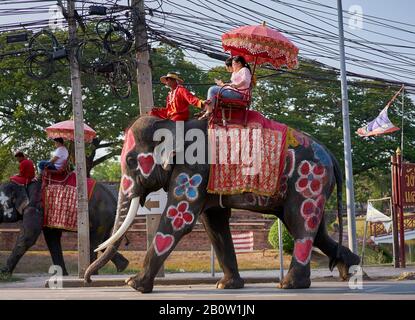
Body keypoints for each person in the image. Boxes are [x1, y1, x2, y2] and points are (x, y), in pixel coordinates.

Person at [199, 55, 253, 120]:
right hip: (233, 91)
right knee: (215, 93)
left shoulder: (244, 70)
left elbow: (245, 81)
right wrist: (225, 85)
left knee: (212, 89)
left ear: (239, 63)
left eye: (233, 64)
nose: (232, 66)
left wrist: (236, 85)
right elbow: (233, 85)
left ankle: (208, 111)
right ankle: (207, 110)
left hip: (239, 94)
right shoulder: (235, 73)